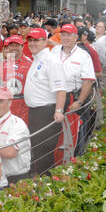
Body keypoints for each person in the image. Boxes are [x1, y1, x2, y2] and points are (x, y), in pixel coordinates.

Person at [24, 29, 67, 174]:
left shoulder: (51, 60)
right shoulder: (37, 59)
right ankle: (41, 182)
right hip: (35, 112)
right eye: (30, 40)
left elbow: (61, 89)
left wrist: (59, 111)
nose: (32, 43)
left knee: (44, 150)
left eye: (36, 40)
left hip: (46, 112)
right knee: (37, 149)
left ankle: (47, 185)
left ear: (44, 41)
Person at [51, 24, 96, 156]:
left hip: (72, 98)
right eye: (63, 35)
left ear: (76, 37)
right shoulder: (53, 51)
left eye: (69, 35)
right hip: (53, 97)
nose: (65, 38)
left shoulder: (83, 56)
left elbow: (88, 81)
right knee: (55, 131)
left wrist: (80, 102)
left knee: (74, 131)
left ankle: (76, 158)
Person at [0, 87, 31, 184]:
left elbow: (10, 152)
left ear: (9, 103)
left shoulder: (17, 124)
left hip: (16, 179)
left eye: (1, 101)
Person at [0, 35, 33, 125]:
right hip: (7, 105)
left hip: (24, 106)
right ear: (7, 47)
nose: (14, 48)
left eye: (17, 45)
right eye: (11, 45)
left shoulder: (30, 64)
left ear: (22, 46)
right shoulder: (1, 65)